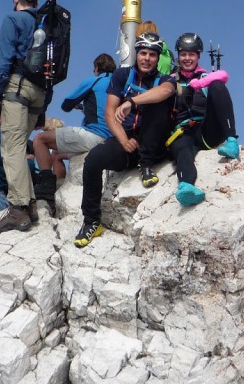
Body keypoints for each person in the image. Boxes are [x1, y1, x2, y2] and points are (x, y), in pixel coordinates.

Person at [73, 33, 175, 248]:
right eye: (143, 53)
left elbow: (166, 91)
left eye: (152, 55)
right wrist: (123, 140)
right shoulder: (122, 75)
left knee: (158, 104)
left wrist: (131, 101)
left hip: (153, 145)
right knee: (93, 159)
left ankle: (146, 164)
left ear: (158, 58)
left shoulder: (164, 79)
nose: (147, 58)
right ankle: (91, 221)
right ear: (137, 54)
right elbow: (110, 113)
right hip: (126, 142)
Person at [0, 0, 45, 234]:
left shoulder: (13, 20)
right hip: (40, 92)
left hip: (17, 86)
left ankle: (18, 209)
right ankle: (31, 204)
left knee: (11, 148)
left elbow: (4, 57)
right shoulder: (44, 24)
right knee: (20, 146)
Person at [31, 53, 116, 215]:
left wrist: (80, 101)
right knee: (57, 154)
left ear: (97, 68)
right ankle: (61, 182)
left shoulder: (94, 81)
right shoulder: (119, 83)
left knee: (40, 140)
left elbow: (66, 105)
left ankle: (46, 188)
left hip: (94, 135)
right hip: (113, 139)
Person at [166, 32, 241, 207]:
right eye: (183, 54)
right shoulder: (170, 80)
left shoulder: (205, 77)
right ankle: (186, 187)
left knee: (217, 86)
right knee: (183, 150)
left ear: (198, 55)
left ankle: (231, 142)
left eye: (191, 54)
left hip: (207, 132)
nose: (187, 58)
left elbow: (222, 76)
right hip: (182, 132)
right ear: (178, 55)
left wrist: (197, 85)